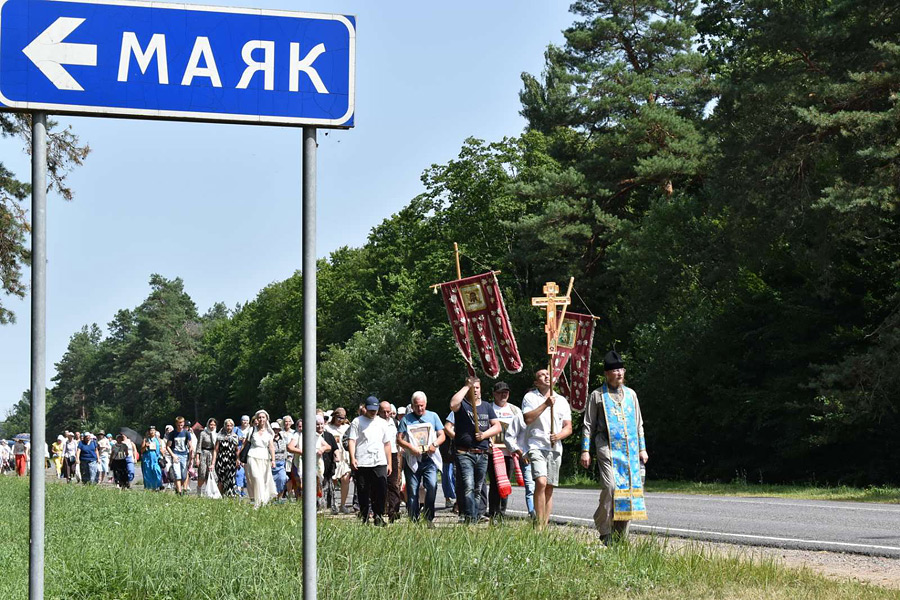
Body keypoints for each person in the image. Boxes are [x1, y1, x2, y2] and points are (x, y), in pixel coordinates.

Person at [580, 350, 649, 543]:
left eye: (621, 369)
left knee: (628, 490)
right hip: (606, 447)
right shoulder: (597, 395)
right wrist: (585, 450)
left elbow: (639, 423)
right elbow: (588, 424)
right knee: (611, 486)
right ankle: (604, 528)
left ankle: (620, 536)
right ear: (607, 373)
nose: (619, 373)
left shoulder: (631, 395)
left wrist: (642, 448)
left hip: (630, 450)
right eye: (614, 370)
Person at [522, 368, 573, 530]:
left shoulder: (562, 401)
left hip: (554, 448)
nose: (546, 376)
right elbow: (527, 419)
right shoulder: (530, 397)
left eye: (548, 374)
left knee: (549, 486)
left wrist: (558, 436)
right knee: (541, 482)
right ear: (536, 382)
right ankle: (538, 525)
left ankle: (544, 525)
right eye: (541, 375)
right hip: (536, 445)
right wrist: (545, 404)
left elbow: (568, 427)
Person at [449, 377, 501, 523]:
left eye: (477, 388)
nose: (475, 390)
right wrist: (467, 386)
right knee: (468, 486)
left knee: (478, 488)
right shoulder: (462, 405)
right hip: (465, 453)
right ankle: (470, 517)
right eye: (473, 388)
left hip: (482, 453)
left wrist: (484, 435)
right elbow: (453, 404)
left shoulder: (486, 406)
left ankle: (475, 515)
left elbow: (497, 426)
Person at [397, 391, 446, 524]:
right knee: (412, 490)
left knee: (432, 485)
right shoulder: (406, 419)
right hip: (413, 459)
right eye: (417, 406)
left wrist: (435, 444)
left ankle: (428, 518)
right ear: (412, 405)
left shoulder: (433, 416)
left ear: (426, 404)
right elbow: (399, 439)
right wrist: (410, 447)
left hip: (429, 459)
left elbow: (442, 435)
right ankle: (414, 519)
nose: (419, 408)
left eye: (422, 405)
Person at [347, 396, 393, 525]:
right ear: (365, 408)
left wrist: (389, 463)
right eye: (370, 410)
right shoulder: (357, 422)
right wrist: (352, 458)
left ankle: (378, 515)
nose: (373, 412)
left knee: (381, 489)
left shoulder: (382, 423)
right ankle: (365, 516)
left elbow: (387, 443)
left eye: (375, 410)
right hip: (362, 460)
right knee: (363, 490)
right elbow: (352, 440)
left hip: (379, 460)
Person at [488, 380, 522, 520]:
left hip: (509, 453)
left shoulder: (515, 410)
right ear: (494, 394)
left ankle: (502, 514)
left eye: (506, 392)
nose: (503, 395)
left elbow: (522, 430)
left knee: (505, 483)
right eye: (500, 392)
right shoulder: (489, 408)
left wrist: (518, 446)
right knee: (494, 484)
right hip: (492, 452)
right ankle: (493, 514)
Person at [241, 409, 277, 508]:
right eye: (259, 417)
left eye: (263, 417)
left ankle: (262, 501)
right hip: (252, 456)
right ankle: (257, 501)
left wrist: (273, 460)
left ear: (266, 419)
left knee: (263, 480)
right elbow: (245, 444)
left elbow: (271, 447)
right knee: (256, 478)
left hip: (264, 457)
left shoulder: (269, 433)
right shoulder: (251, 430)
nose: (261, 419)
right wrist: (240, 457)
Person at [378, 401, 402, 522]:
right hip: (379, 454)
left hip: (393, 454)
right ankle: (381, 510)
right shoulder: (376, 423)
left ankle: (394, 511)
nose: (387, 414)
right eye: (384, 412)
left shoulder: (395, 423)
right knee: (380, 484)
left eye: (389, 412)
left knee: (394, 483)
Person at [325, 408, 351, 513]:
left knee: (345, 479)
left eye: (343, 418)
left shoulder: (347, 428)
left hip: (344, 456)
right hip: (332, 456)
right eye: (339, 417)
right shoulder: (328, 428)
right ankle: (333, 503)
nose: (340, 420)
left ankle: (343, 504)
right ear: (334, 416)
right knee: (333, 480)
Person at [166, 416, 195, 495]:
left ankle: (182, 488)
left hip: (184, 455)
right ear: (176, 424)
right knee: (177, 474)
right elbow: (168, 446)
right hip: (176, 454)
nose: (180, 426)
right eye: (178, 424)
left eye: (181, 424)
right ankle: (180, 492)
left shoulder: (186, 433)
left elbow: (190, 445)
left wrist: (191, 454)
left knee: (184, 474)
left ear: (183, 423)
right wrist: (173, 455)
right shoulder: (172, 434)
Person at [212, 418, 240, 497]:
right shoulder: (219, 436)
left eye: (231, 426)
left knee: (230, 478)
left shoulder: (235, 436)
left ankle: (230, 496)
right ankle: (220, 496)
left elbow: (237, 450)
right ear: (224, 426)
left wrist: (238, 459)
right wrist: (213, 463)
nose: (229, 427)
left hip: (231, 460)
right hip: (221, 460)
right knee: (221, 479)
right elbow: (215, 450)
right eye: (227, 425)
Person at [195, 418, 218, 496]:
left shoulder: (216, 435)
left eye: (214, 425)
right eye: (211, 424)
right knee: (202, 473)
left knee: (212, 474)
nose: (212, 426)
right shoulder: (203, 433)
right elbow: (198, 446)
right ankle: (199, 488)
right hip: (203, 454)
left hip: (212, 454)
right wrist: (197, 458)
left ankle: (210, 492)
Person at [140, 426, 164, 491]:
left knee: (157, 471)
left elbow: (161, 449)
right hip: (147, 459)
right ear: (148, 432)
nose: (152, 432)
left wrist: (163, 455)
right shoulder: (145, 440)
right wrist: (145, 446)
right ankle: (149, 487)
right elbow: (141, 451)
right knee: (148, 473)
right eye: (151, 430)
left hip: (156, 459)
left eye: (153, 430)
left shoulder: (158, 440)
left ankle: (158, 485)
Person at [271, 421, 288, 498]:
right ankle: (272, 497)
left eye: (276, 429)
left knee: (282, 479)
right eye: (273, 429)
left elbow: (286, 450)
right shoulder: (269, 439)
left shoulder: (283, 438)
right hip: (271, 463)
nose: (275, 431)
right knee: (271, 482)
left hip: (281, 463)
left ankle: (279, 497)